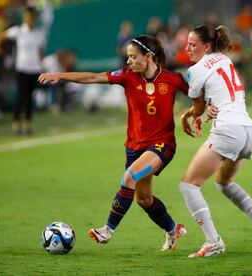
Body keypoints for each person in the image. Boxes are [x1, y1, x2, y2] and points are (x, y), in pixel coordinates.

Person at [38, 35, 189, 250]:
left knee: (129, 177)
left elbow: (197, 92)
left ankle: (107, 230)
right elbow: (92, 78)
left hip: (162, 145)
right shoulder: (127, 76)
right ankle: (173, 230)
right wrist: (60, 75)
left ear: (148, 57)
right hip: (134, 147)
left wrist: (198, 112)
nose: (128, 62)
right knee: (144, 199)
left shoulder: (172, 79)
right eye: (127, 57)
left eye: (132, 57)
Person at [179, 25, 252, 258]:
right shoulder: (224, 58)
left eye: (193, 44)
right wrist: (208, 111)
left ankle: (213, 242)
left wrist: (188, 116)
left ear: (207, 46)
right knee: (223, 182)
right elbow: (217, 98)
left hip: (228, 130)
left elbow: (198, 107)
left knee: (189, 185)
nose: (187, 48)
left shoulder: (197, 69)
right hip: (247, 129)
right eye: (187, 43)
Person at [0, 6, 46, 135]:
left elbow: (40, 53)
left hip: (34, 69)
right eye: (28, 16)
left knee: (29, 97)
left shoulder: (39, 34)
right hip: (22, 68)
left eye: (32, 17)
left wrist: (43, 67)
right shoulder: (19, 31)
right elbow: (1, 36)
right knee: (21, 96)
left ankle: (28, 123)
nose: (30, 19)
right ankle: (16, 123)